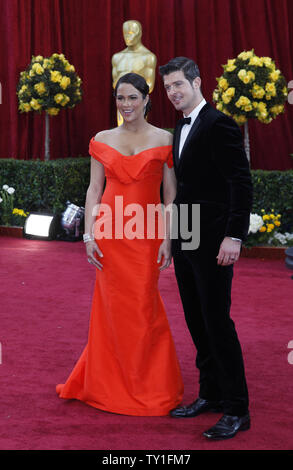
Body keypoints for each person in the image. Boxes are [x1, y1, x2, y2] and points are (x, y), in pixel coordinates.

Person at [56, 72, 184, 416]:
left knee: (144, 308)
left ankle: (149, 384)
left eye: (131, 98)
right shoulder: (101, 138)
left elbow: (171, 195)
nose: (125, 104)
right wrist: (88, 234)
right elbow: (94, 190)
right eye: (120, 98)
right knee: (111, 310)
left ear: (146, 99)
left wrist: (169, 237)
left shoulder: (165, 138)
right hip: (110, 234)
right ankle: (106, 383)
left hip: (145, 235)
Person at [159, 57, 253, 440]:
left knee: (217, 321)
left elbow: (240, 182)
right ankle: (211, 394)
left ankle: (237, 409)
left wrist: (235, 236)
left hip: (215, 238)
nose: (174, 92)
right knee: (196, 320)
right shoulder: (178, 128)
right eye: (168, 88)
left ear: (197, 82)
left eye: (179, 84)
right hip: (186, 234)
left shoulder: (219, 124)